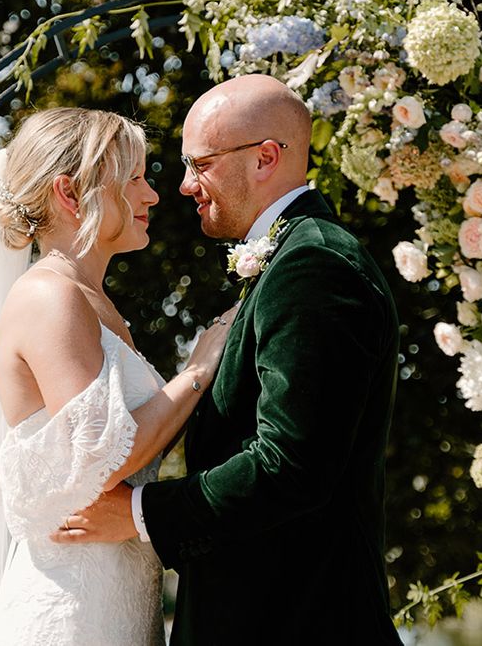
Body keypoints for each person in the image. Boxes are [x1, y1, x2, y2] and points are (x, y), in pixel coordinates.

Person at [55, 74, 404, 645]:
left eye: (201, 164)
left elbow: (292, 465)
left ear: (265, 157)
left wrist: (140, 513)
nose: (185, 186)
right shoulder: (291, 257)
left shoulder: (314, 264)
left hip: (298, 621)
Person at [0, 107, 235, 645]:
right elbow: (107, 456)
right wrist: (198, 369)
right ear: (71, 195)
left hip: (117, 597)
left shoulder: (92, 302)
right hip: (72, 609)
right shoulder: (49, 297)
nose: (152, 195)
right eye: (135, 179)